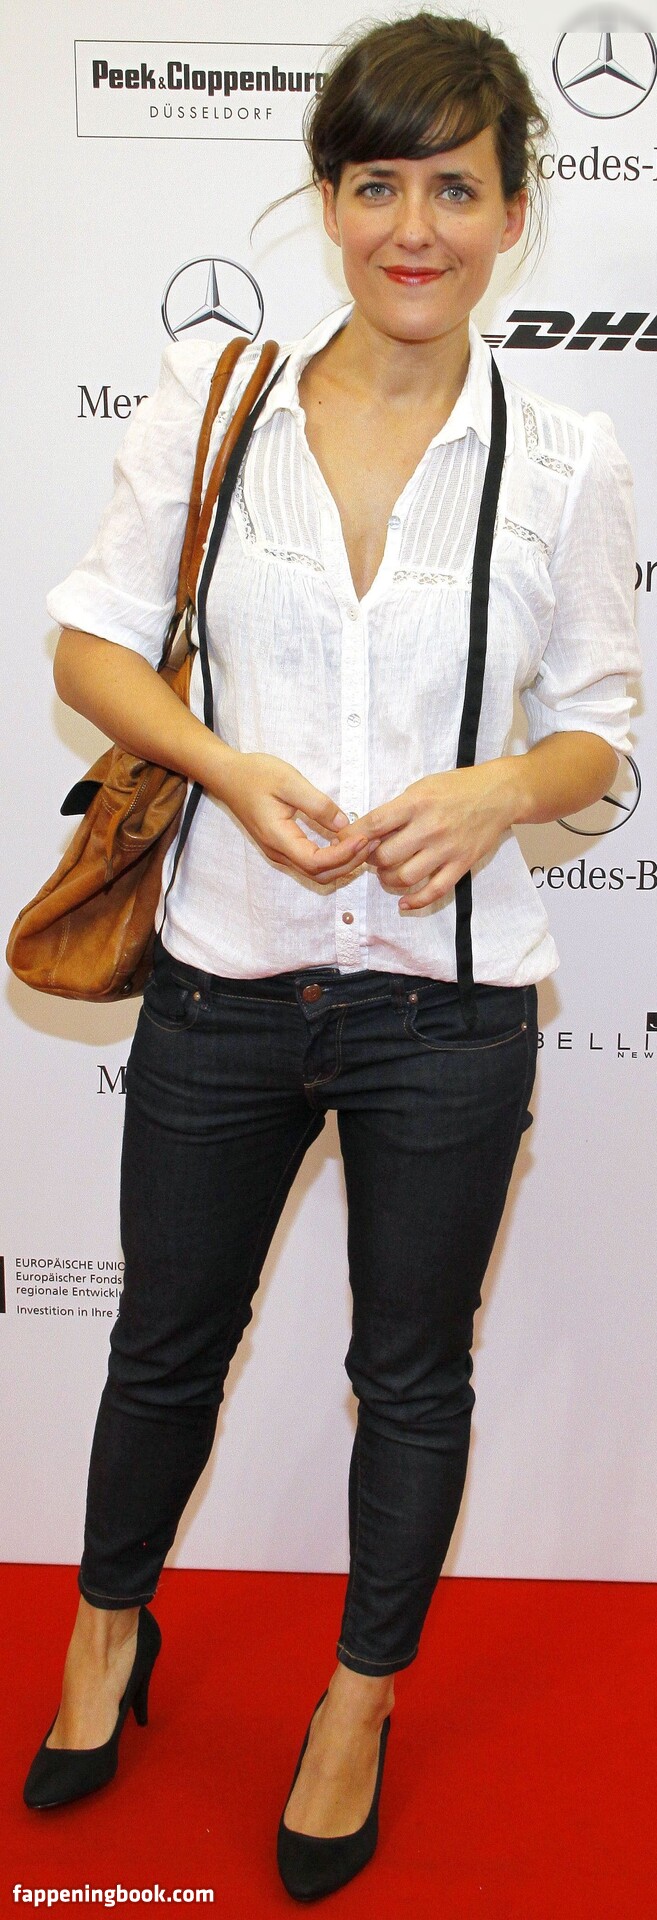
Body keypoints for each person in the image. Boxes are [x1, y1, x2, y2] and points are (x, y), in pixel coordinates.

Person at [24, 11, 639, 1902]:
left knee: (412, 1375)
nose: (413, 228)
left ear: (515, 214)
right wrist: (227, 765)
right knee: (162, 1350)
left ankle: (356, 1705)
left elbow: (598, 729)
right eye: (377, 184)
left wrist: (496, 789)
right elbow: (89, 644)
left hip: (448, 1011)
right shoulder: (213, 402)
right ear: (327, 199)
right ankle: (107, 1634)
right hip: (222, 973)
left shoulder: (564, 451)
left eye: (455, 188)